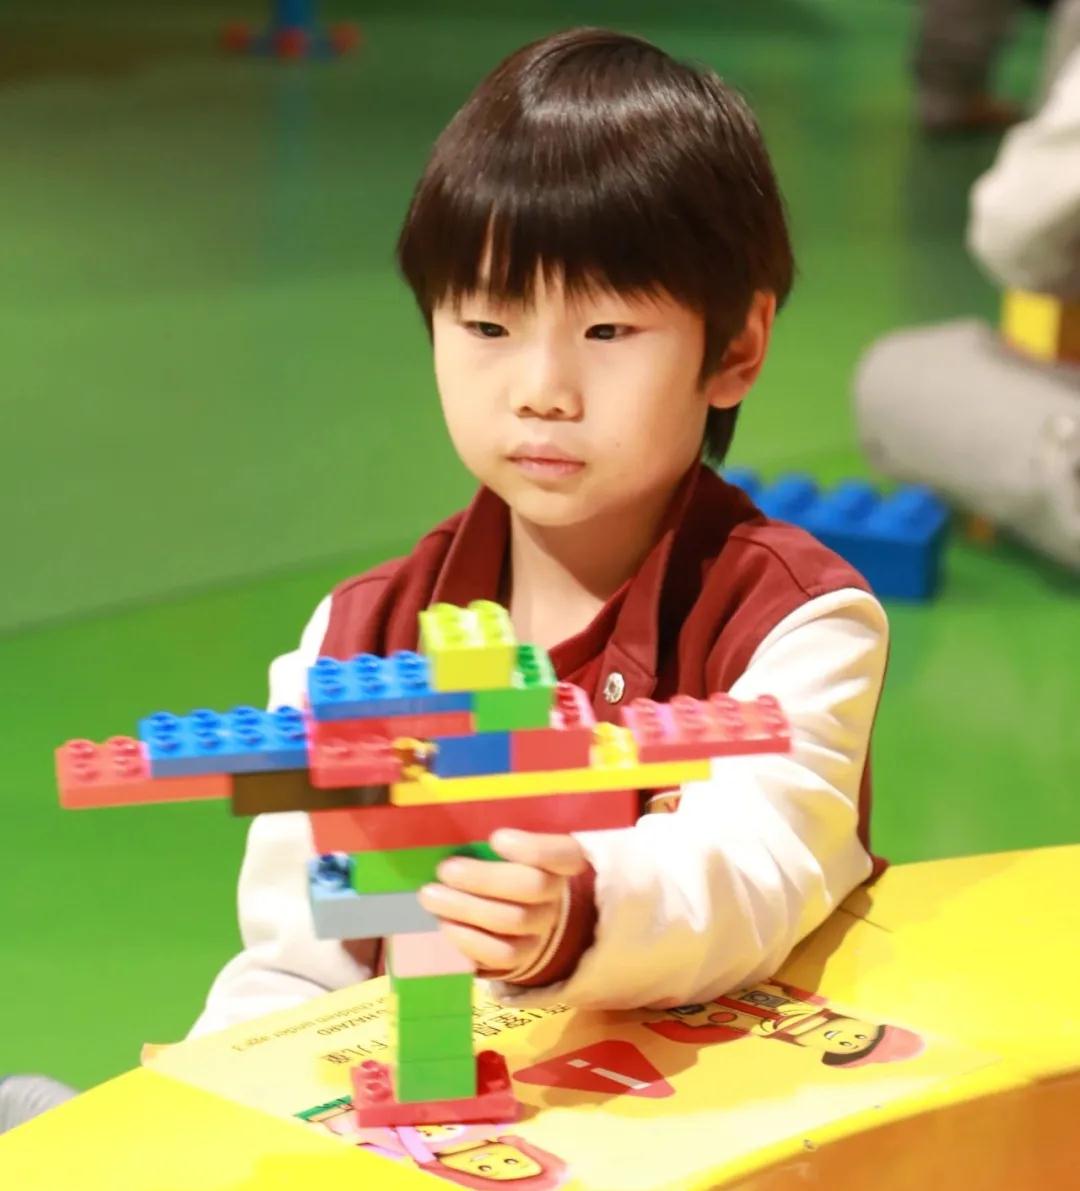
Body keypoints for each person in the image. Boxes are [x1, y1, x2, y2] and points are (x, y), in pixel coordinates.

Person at [187, 27, 888, 1037]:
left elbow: (757, 866)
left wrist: (580, 909)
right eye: (488, 326)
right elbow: (298, 965)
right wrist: (219, 1092)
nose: (543, 391)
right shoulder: (353, 641)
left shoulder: (795, 624)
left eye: (607, 331)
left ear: (736, 346)